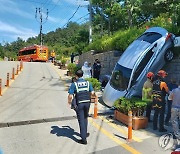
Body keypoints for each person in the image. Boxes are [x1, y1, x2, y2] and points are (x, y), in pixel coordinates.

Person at [68, 69, 95, 144]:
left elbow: (70, 96)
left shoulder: (74, 84)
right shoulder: (88, 83)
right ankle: (84, 133)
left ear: (76, 76)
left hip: (79, 104)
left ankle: (83, 139)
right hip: (87, 103)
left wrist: (69, 102)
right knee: (85, 118)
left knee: (81, 120)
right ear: (82, 75)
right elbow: (92, 92)